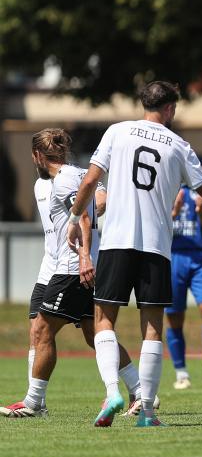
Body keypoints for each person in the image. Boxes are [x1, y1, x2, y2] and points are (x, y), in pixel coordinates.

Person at [66, 81, 202, 428]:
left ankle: (112, 391)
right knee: (152, 329)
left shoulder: (117, 132)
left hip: (116, 242)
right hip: (156, 249)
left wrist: (74, 219)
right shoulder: (179, 146)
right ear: (171, 108)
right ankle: (147, 412)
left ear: (143, 103)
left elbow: (88, 183)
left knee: (103, 321)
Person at [1, 129, 148, 418]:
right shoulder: (67, 178)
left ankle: (34, 402)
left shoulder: (66, 179)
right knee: (93, 333)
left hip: (72, 267)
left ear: (37, 155)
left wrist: (83, 256)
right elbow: (90, 204)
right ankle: (140, 391)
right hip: (56, 266)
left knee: (42, 329)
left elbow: (84, 216)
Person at [164, 184, 202, 390]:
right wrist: (173, 212)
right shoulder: (165, 186)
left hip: (199, 258)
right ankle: (181, 373)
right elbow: (155, 225)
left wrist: (200, 210)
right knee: (174, 317)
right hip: (172, 258)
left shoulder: (200, 187)